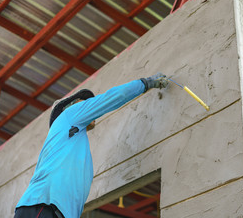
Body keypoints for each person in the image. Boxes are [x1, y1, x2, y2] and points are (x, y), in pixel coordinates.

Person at [14, 73, 169, 218]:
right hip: (44, 207)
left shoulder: (70, 140)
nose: (89, 104)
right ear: (70, 106)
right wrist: (146, 83)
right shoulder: (69, 115)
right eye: (85, 101)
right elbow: (111, 98)